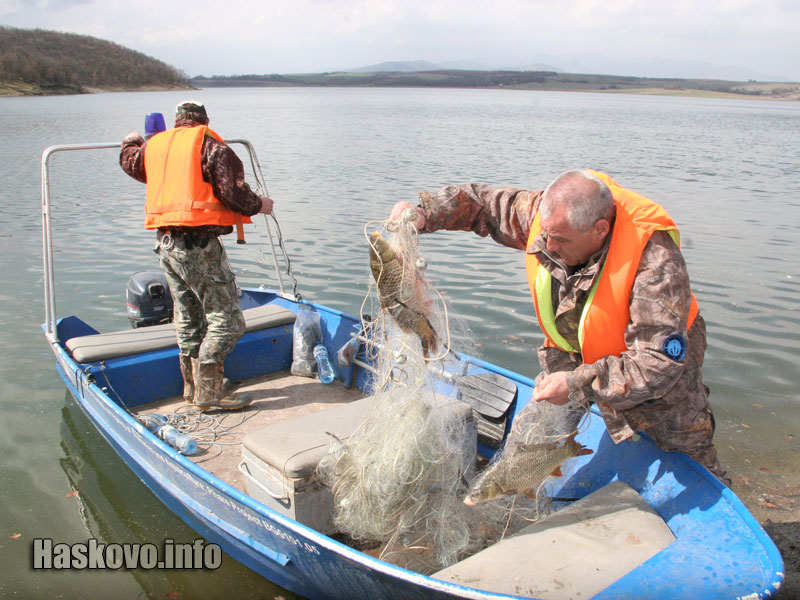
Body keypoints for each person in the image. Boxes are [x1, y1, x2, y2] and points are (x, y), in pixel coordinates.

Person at [390, 169, 729, 484]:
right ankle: (510, 502)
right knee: (525, 447)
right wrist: (424, 214)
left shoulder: (656, 264)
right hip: (574, 349)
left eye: (560, 240)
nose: (548, 246)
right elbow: (482, 204)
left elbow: (657, 363)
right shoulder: (548, 217)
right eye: (546, 234)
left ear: (600, 230)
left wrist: (576, 383)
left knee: (688, 452)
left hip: (654, 367)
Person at [120, 100, 273, 411]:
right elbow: (232, 192)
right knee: (228, 322)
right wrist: (260, 205)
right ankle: (210, 391)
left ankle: (192, 388)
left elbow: (130, 162)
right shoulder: (211, 147)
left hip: (166, 247)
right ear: (205, 120)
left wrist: (131, 140)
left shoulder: (155, 146)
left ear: (177, 121)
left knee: (188, 318)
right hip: (199, 247)